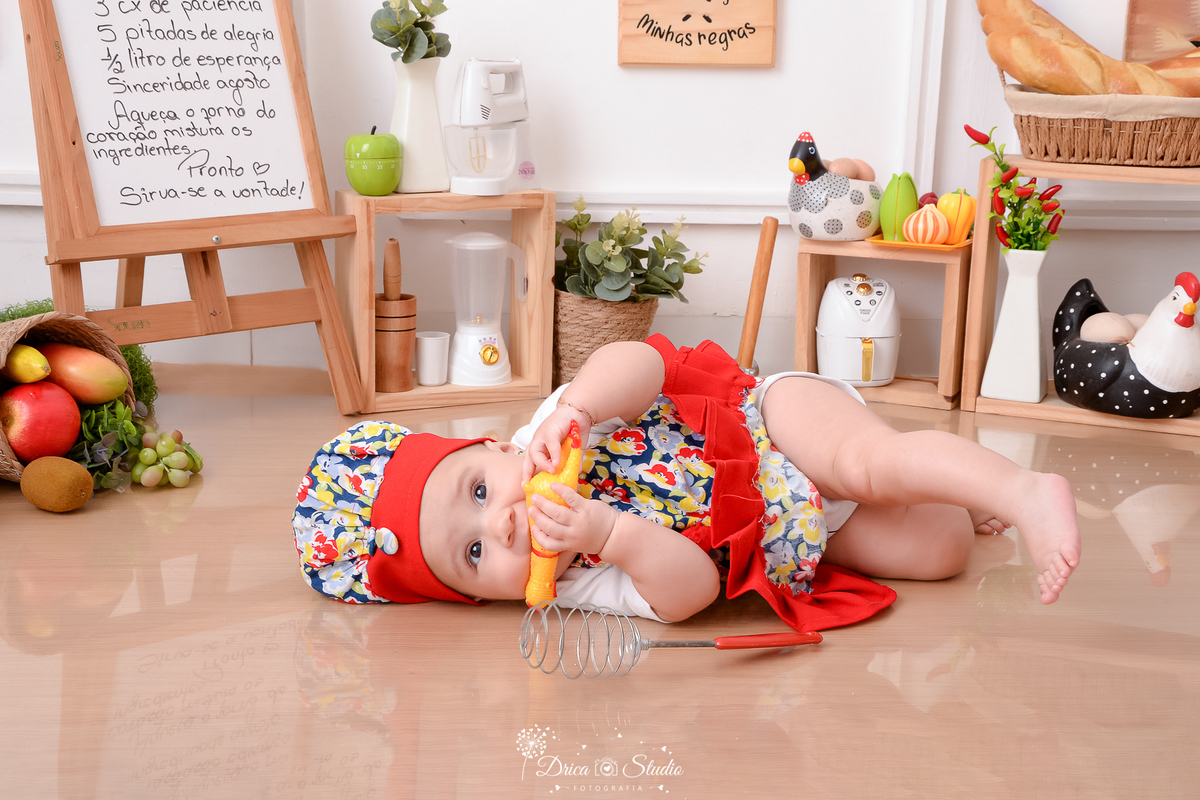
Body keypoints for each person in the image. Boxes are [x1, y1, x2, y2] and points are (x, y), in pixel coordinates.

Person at [293, 336, 1080, 632]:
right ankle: (969, 494)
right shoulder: (576, 579)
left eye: (477, 491)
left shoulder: (553, 432)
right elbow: (692, 590)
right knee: (939, 549)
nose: (499, 523)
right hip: (797, 529)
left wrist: (580, 404)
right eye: (473, 554)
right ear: (480, 599)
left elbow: (644, 362)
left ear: (494, 447)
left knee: (866, 466)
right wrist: (611, 534)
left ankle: (1022, 490)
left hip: (764, 423)